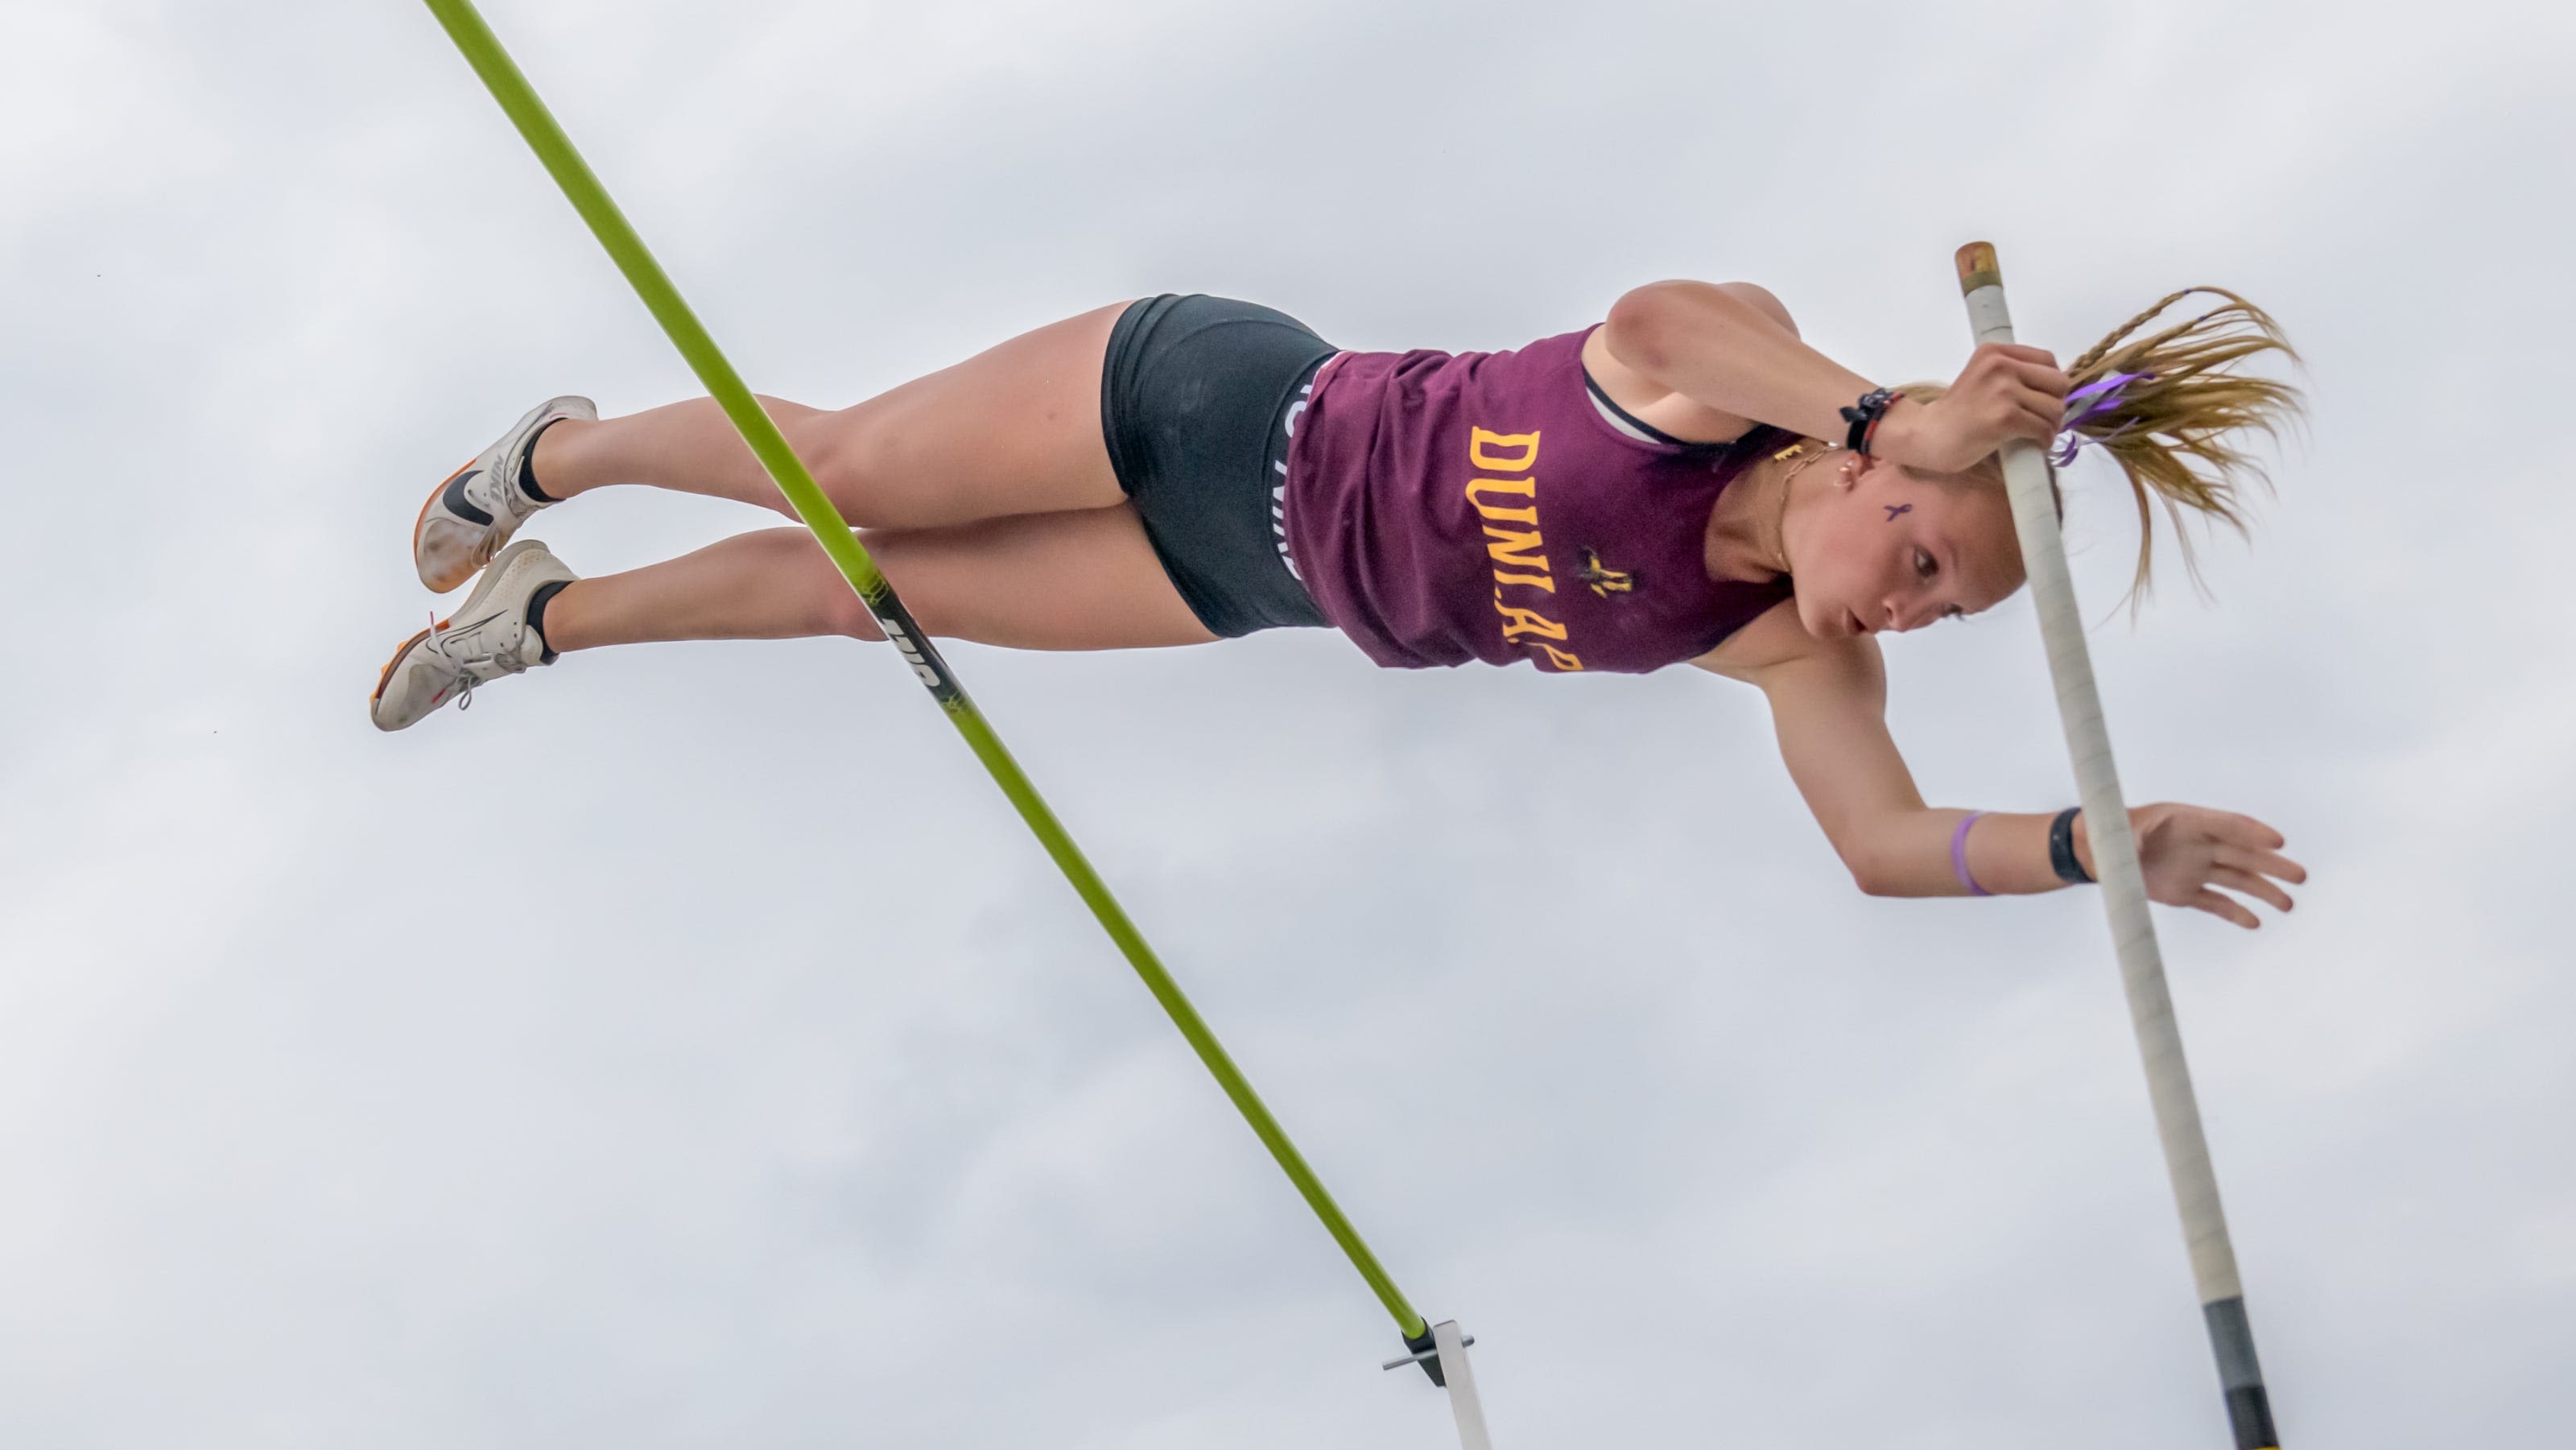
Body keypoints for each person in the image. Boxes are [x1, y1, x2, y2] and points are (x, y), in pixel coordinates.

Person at [371, 284, 2307, 923]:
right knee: (857, 471)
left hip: (1233, 578)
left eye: (1939, 615)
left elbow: (1881, 844)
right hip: (1219, 401)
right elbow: (1649, 320)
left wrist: (2094, 843)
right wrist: (1903, 406)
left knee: (855, 596)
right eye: (1923, 558)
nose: (1901, 608)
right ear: (1888, 477)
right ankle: (562, 455)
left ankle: (532, 622)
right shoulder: (1743, 379)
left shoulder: (1780, 641)